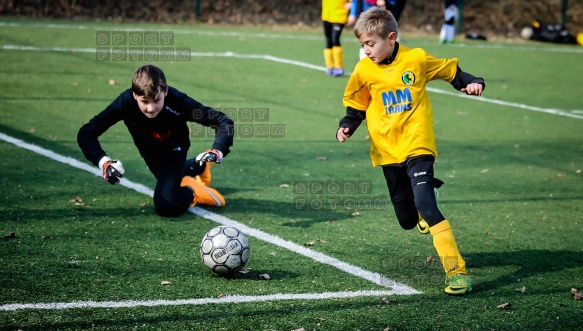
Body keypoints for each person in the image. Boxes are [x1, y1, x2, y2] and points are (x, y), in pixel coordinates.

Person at [336, 7, 485, 295]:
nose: (366, 51)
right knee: (407, 220)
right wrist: (347, 125)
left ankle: (457, 272)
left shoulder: (415, 59)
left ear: (391, 38)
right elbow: (357, 104)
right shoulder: (364, 69)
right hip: (387, 151)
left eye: (371, 44)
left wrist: (472, 82)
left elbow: (451, 71)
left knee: (428, 207)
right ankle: (424, 196)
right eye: (362, 45)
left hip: (418, 145)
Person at [78, 64, 234, 217]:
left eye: (156, 100)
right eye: (144, 102)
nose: (151, 108)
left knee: (166, 205)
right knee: (166, 177)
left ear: (165, 91)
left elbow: (222, 121)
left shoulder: (178, 102)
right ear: (134, 95)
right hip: (149, 153)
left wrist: (217, 150)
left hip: (175, 150)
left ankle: (193, 192)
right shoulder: (125, 103)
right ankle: (199, 165)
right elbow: (86, 133)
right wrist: (104, 163)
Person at [321, 0, 350, 76]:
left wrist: (351, 5)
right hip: (327, 16)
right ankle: (329, 66)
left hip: (339, 16)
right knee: (328, 40)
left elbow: (354, 2)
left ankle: (339, 67)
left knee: (335, 39)